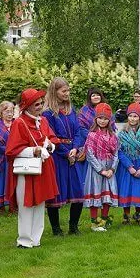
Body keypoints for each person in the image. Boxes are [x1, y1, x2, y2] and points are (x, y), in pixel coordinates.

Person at [5, 89, 59, 248]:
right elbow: (11, 150)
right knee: (26, 204)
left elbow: (51, 138)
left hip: (43, 168)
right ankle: (24, 240)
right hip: (27, 170)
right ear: (27, 106)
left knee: (40, 202)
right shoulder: (19, 123)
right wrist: (33, 151)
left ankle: (36, 239)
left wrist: (50, 146)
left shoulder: (43, 121)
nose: (40, 106)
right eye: (36, 104)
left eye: (41, 103)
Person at [43, 77, 86, 235]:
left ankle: (73, 227)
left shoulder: (71, 110)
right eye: (64, 91)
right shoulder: (48, 114)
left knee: (78, 191)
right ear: (55, 92)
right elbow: (50, 136)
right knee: (56, 193)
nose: (67, 93)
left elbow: (78, 132)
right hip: (57, 155)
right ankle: (56, 229)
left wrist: (75, 148)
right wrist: (65, 152)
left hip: (73, 154)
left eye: (68, 90)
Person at [83, 103, 119, 232]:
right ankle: (94, 223)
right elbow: (90, 154)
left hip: (109, 168)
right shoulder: (92, 135)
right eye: (100, 118)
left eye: (105, 119)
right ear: (96, 119)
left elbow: (116, 154)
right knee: (95, 194)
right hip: (96, 170)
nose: (102, 121)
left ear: (109, 120)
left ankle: (104, 220)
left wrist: (112, 169)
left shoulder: (113, 136)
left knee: (106, 195)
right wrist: (101, 170)